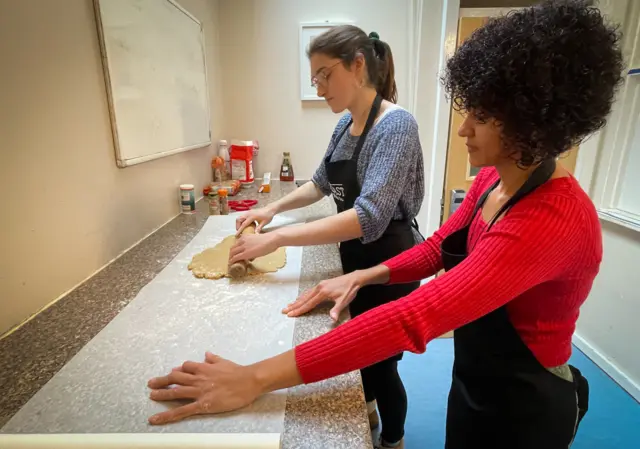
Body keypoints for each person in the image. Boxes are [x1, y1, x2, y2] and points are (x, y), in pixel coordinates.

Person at [146, 1, 624, 448]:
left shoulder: (550, 220)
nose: (463, 129)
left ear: (533, 120)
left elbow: (415, 316)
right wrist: (364, 275)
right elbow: (439, 246)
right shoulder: (492, 182)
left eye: (481, 116)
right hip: (475, 373)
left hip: (526, 399)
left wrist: (255, 378)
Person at [228, 25, 423, 447]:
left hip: (389, 266)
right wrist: (272, 209)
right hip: (352, 259)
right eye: (313, 79)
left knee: (383, 364)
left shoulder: (396, 126)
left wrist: (277, 239)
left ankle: (393, 440)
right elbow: (319, 183)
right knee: (360, 358)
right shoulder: (345, 125)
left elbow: (369, 217)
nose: (319, 89)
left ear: (357, 64)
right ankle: (363, 413)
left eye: (324, 75)